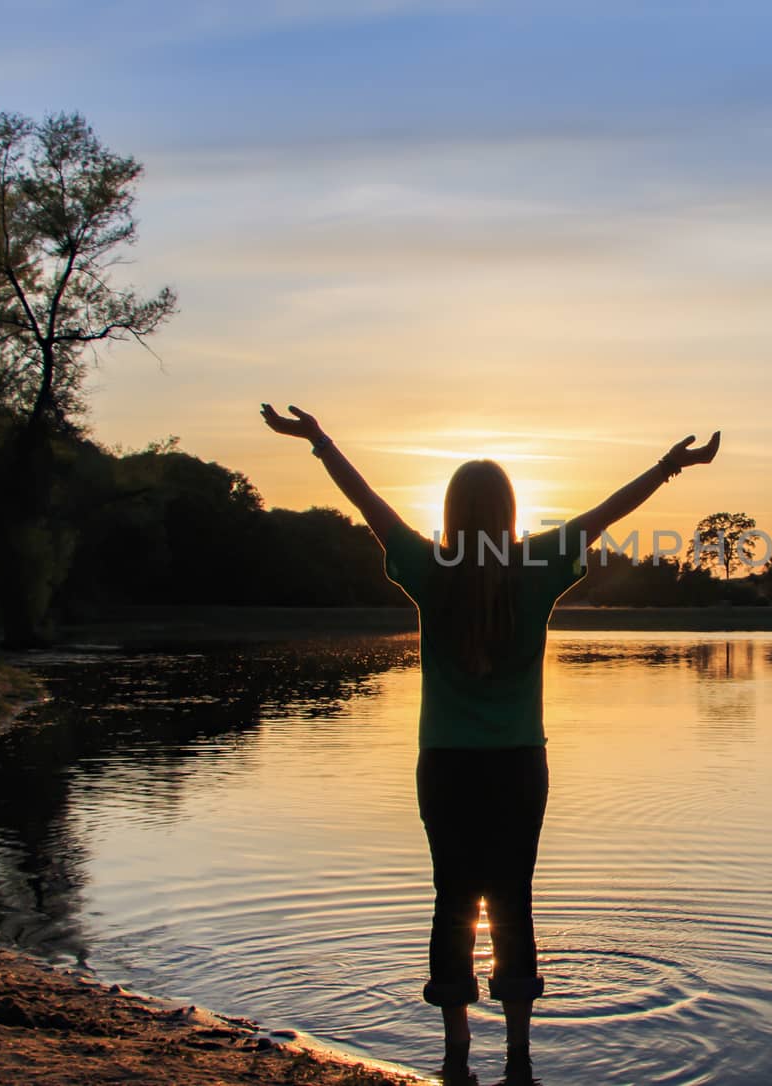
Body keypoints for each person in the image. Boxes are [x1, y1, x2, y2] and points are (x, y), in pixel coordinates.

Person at [260, 403, 720, 1077]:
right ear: (510, 511)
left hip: (445, 764)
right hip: (517, 765)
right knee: (512, 901)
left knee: (452, 897)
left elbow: (367, 502)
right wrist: (670, 466)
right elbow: (607, 512)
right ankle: (519, 1053)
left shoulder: (426, 567)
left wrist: (319, 441)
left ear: (451, 511)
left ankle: (455, 1052)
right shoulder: (536, 567)